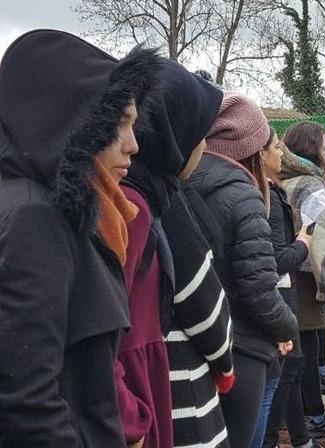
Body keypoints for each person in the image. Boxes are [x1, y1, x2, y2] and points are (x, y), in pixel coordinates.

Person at [0, 29, 161, 446]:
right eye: (119, 124)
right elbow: (27, 401)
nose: (134, 145)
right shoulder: (35, 220)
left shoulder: (54, 208)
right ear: (71, 120)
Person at [118, 59, 235, 448]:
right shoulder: (155, 204)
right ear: (174, 134)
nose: (204, 147)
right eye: (200, 135)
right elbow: (205, 308)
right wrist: (227, 366)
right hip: (174, 395)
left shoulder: (123, 188)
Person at [187, 92, 299, 448]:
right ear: (252, 148)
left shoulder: (184, 183)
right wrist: (287, 327)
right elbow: (259, 289)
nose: (277, 153)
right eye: (272, 144)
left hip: (201, 341)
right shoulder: (243, 195)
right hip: (246, 347)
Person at [278, 121, 325, 441]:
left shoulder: (282, 178)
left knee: (297, 350)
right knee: (305, 348)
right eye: (323, 143)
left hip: (285, 271)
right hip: (306, 277)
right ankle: (315, 416)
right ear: (313, 147)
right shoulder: (312, 185)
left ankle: (293, 416)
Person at [256, 127, 315, 448]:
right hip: (277, 297)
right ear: (260, 153)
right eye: (276, 147)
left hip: (268, 298)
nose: (281, 153)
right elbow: (278, 259)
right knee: (286, 369)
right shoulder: (269, 196)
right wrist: (303, 242)